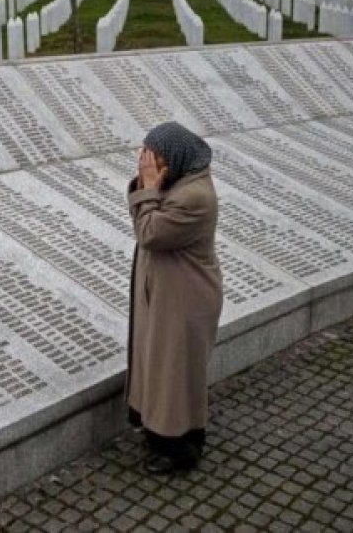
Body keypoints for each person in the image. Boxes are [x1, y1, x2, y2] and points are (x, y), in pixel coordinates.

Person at [126, 121, 223, 474]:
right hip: (170, 295)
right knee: (163, 369)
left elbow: (148, 232)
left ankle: (179, 450)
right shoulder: (181, 182)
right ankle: (166, 435)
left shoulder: (193, 197)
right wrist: (149, 186)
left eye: (156, 159)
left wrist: (149, 187)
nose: (148, 165)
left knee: (174, 375)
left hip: (185, 300)